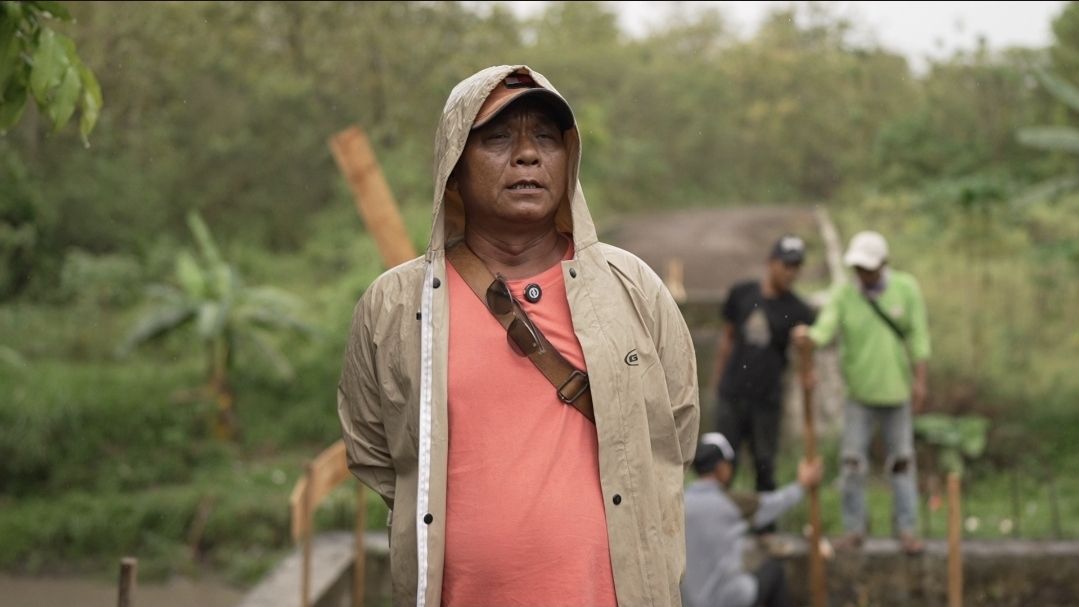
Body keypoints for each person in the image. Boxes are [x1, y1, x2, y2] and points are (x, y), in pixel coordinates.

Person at [337, 65, 700, 607]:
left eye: (546, 139)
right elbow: (374, 451)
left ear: (568, 160)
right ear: (453, 168)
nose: (527, 156)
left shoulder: (632, 289)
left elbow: (674, 429)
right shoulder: (396, 306)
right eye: (498, 138)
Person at [793, 230, 930, 555]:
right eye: (859, 268)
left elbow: (919, 337)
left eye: (869, 268)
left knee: (902, 463)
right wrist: (809, 337)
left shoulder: (906, 289)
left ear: (883, 264)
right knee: (853, 463)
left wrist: (920, 381)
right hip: (859, 396)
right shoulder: (844, 295)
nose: (863, 274)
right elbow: (826, 328)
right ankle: (854, 528)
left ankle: (907, 528)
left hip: (896, 394)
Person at [712, 236, 815, 521]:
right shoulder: (742, 293)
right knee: (723, 461)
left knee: (765, 465)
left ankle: (765, 528)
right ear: (771, 263)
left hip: (767, 399)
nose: (791, 272)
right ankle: (719, 522)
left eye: (797, 267)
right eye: (786, 265)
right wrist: (718, 386)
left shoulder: (798, 310)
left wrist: (805, 351)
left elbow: (805, 353)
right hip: (732, 395)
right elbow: (728, 339)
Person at [682, 432, 823, 607]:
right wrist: (802, 485)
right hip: (727, 600)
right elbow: (773, 505)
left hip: (690, 602)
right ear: (721, 467)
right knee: (774, 572)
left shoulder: (680, 503)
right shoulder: (732, 502)